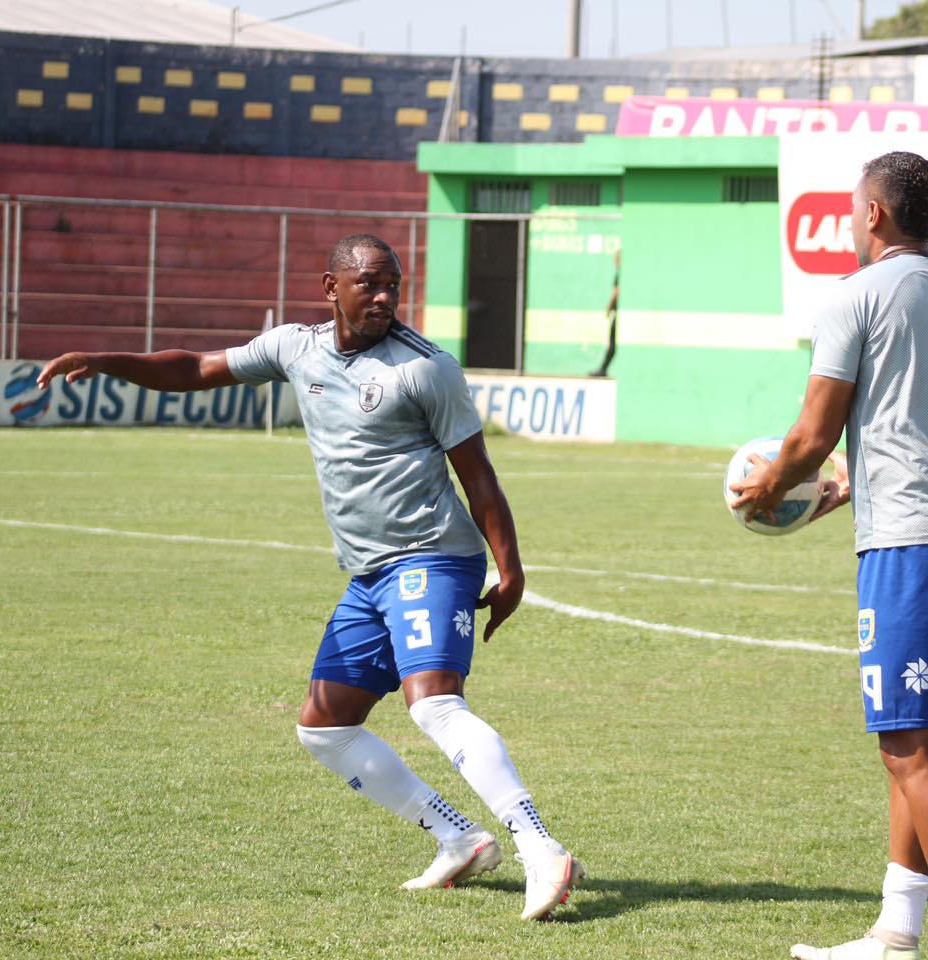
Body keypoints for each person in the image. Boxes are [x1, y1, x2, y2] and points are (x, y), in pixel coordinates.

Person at [33, 234, 584, 920]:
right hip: (370, 573)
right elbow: (200, 368)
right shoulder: (296, 346)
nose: (384, 298)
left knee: (434, 704)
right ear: (331, 287)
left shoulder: (425, 369)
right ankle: (458, 837)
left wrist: (511, 570)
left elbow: (479, 477)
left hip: (432, 555)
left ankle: (538, 847)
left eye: (393, 285)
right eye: (369, 285)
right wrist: (106, 360)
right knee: (324, 728)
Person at [732, 151, 928, 960]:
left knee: (908, 747)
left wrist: (769, 487)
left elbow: (812, 434)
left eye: (855, 211)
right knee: (909, 735)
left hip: (911, 546)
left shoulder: (856, 295)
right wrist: (861, 477)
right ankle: (895, 932)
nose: (853, 222)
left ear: (875, 214)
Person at [589, 249, 620, 377]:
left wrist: (609, 308)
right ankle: (603, 368)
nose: (615, 261)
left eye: (616, 259)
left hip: (618, 316)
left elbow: (616, 292)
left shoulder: (620, 274)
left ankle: (603, 369)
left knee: (612, 342)